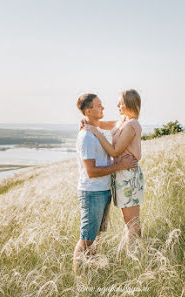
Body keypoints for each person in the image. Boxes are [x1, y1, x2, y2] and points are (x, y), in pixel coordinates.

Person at [73, 93, 137, 274]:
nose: (103, 108)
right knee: (86, 239)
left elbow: (118, 122)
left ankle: (90, 274)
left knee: (95, 237)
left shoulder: (96, 130)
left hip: (103, 191)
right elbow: (91, 171)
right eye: (99, 106)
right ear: (88, 110)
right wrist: (120, 166)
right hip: (92, 193)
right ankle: (77, 279)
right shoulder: (86, 137)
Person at [83, 89, 144, 243]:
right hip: (121, 174)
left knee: (132, 222)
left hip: (128, 174)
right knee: (128, 220)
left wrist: (96, 133)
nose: (117, 105)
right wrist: (85, 121)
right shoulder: (122, 122)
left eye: (120, 103)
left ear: (129, 104)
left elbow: (115, 151)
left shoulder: (132, 125)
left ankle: (138, 255)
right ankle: (134, 253)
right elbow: (100, 124)